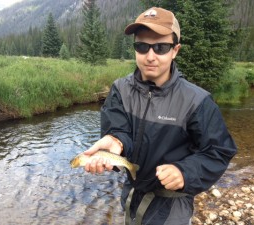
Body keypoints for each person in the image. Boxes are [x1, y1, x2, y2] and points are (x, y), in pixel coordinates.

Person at [83, 7, 237, 225]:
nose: (150, 56)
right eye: (142, 46)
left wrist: (185, 172)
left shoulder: (197, 101)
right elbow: (119, 130)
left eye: (161, 47)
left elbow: (219, 151)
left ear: (175, 50)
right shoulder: (120, 90)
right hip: (132, 194)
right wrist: (115, 140)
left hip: (172, 205)